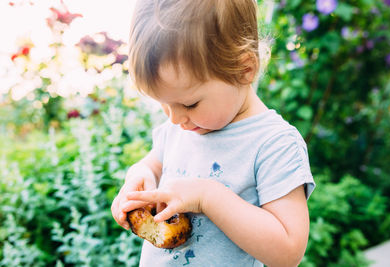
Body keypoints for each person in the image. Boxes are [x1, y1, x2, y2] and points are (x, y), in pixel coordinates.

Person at [111, 0, 316, 266]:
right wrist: (140, 176)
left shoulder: (274, 144)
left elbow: (288, 251)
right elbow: (153, 162)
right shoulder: (180, 127)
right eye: (162, 102)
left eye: (189, 103)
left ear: (245, 69)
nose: (173, 118)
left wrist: (208, 198)